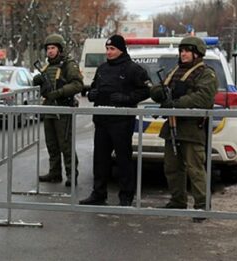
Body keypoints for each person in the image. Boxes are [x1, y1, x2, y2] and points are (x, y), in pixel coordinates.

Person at [150, 36, 217, 221]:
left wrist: (176, 103)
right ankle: (178, 200)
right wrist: (159, 93)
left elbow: (203, 98)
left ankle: (202, 207)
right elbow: (158, 89)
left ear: (197, 53)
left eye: (187, 50)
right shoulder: (175, 71)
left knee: (195, 169)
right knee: (172, 167)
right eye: (182, 51)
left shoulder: (206, 73)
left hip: (192, 129)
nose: (183, 54)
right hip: (172, 126)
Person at [79, 35, 151, 206]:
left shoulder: (133, 69)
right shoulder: (102, 68)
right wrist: (92, 94)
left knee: (123, 160)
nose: (109, 52)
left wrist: (126, 98)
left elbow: (145, 91)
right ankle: (98, 194)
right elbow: (94, 88)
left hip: (121, 122)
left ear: (121, 50)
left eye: (112, 49)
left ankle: (126, 197)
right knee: (100, 159)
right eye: (107, 49)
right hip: (102, 121)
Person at [33, 33, 84, 187]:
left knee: (66, 144)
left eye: (53, 48)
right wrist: (37, 82)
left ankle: (71, 174)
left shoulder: (69, 65)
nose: (50, 51)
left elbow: (77, 84)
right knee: (52, 144)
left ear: (60, 49)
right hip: (49, 108)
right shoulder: (47, 66)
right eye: (48, 48)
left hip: (63, 109)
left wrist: (60, 92)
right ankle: (54, 173)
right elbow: (43, 87)